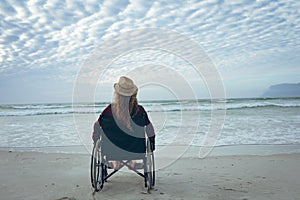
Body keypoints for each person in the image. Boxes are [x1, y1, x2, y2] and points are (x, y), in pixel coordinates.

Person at [92, 76, 155, 170]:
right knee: (129, 140)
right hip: (136, 150)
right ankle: (131, 163)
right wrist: (152, 144)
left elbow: (97, 126)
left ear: (117, 94)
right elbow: (150, 129)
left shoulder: (109, 111)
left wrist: (96, 140)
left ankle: (115, 163)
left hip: (111, 151)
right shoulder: (140, 111)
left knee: (116, 140)